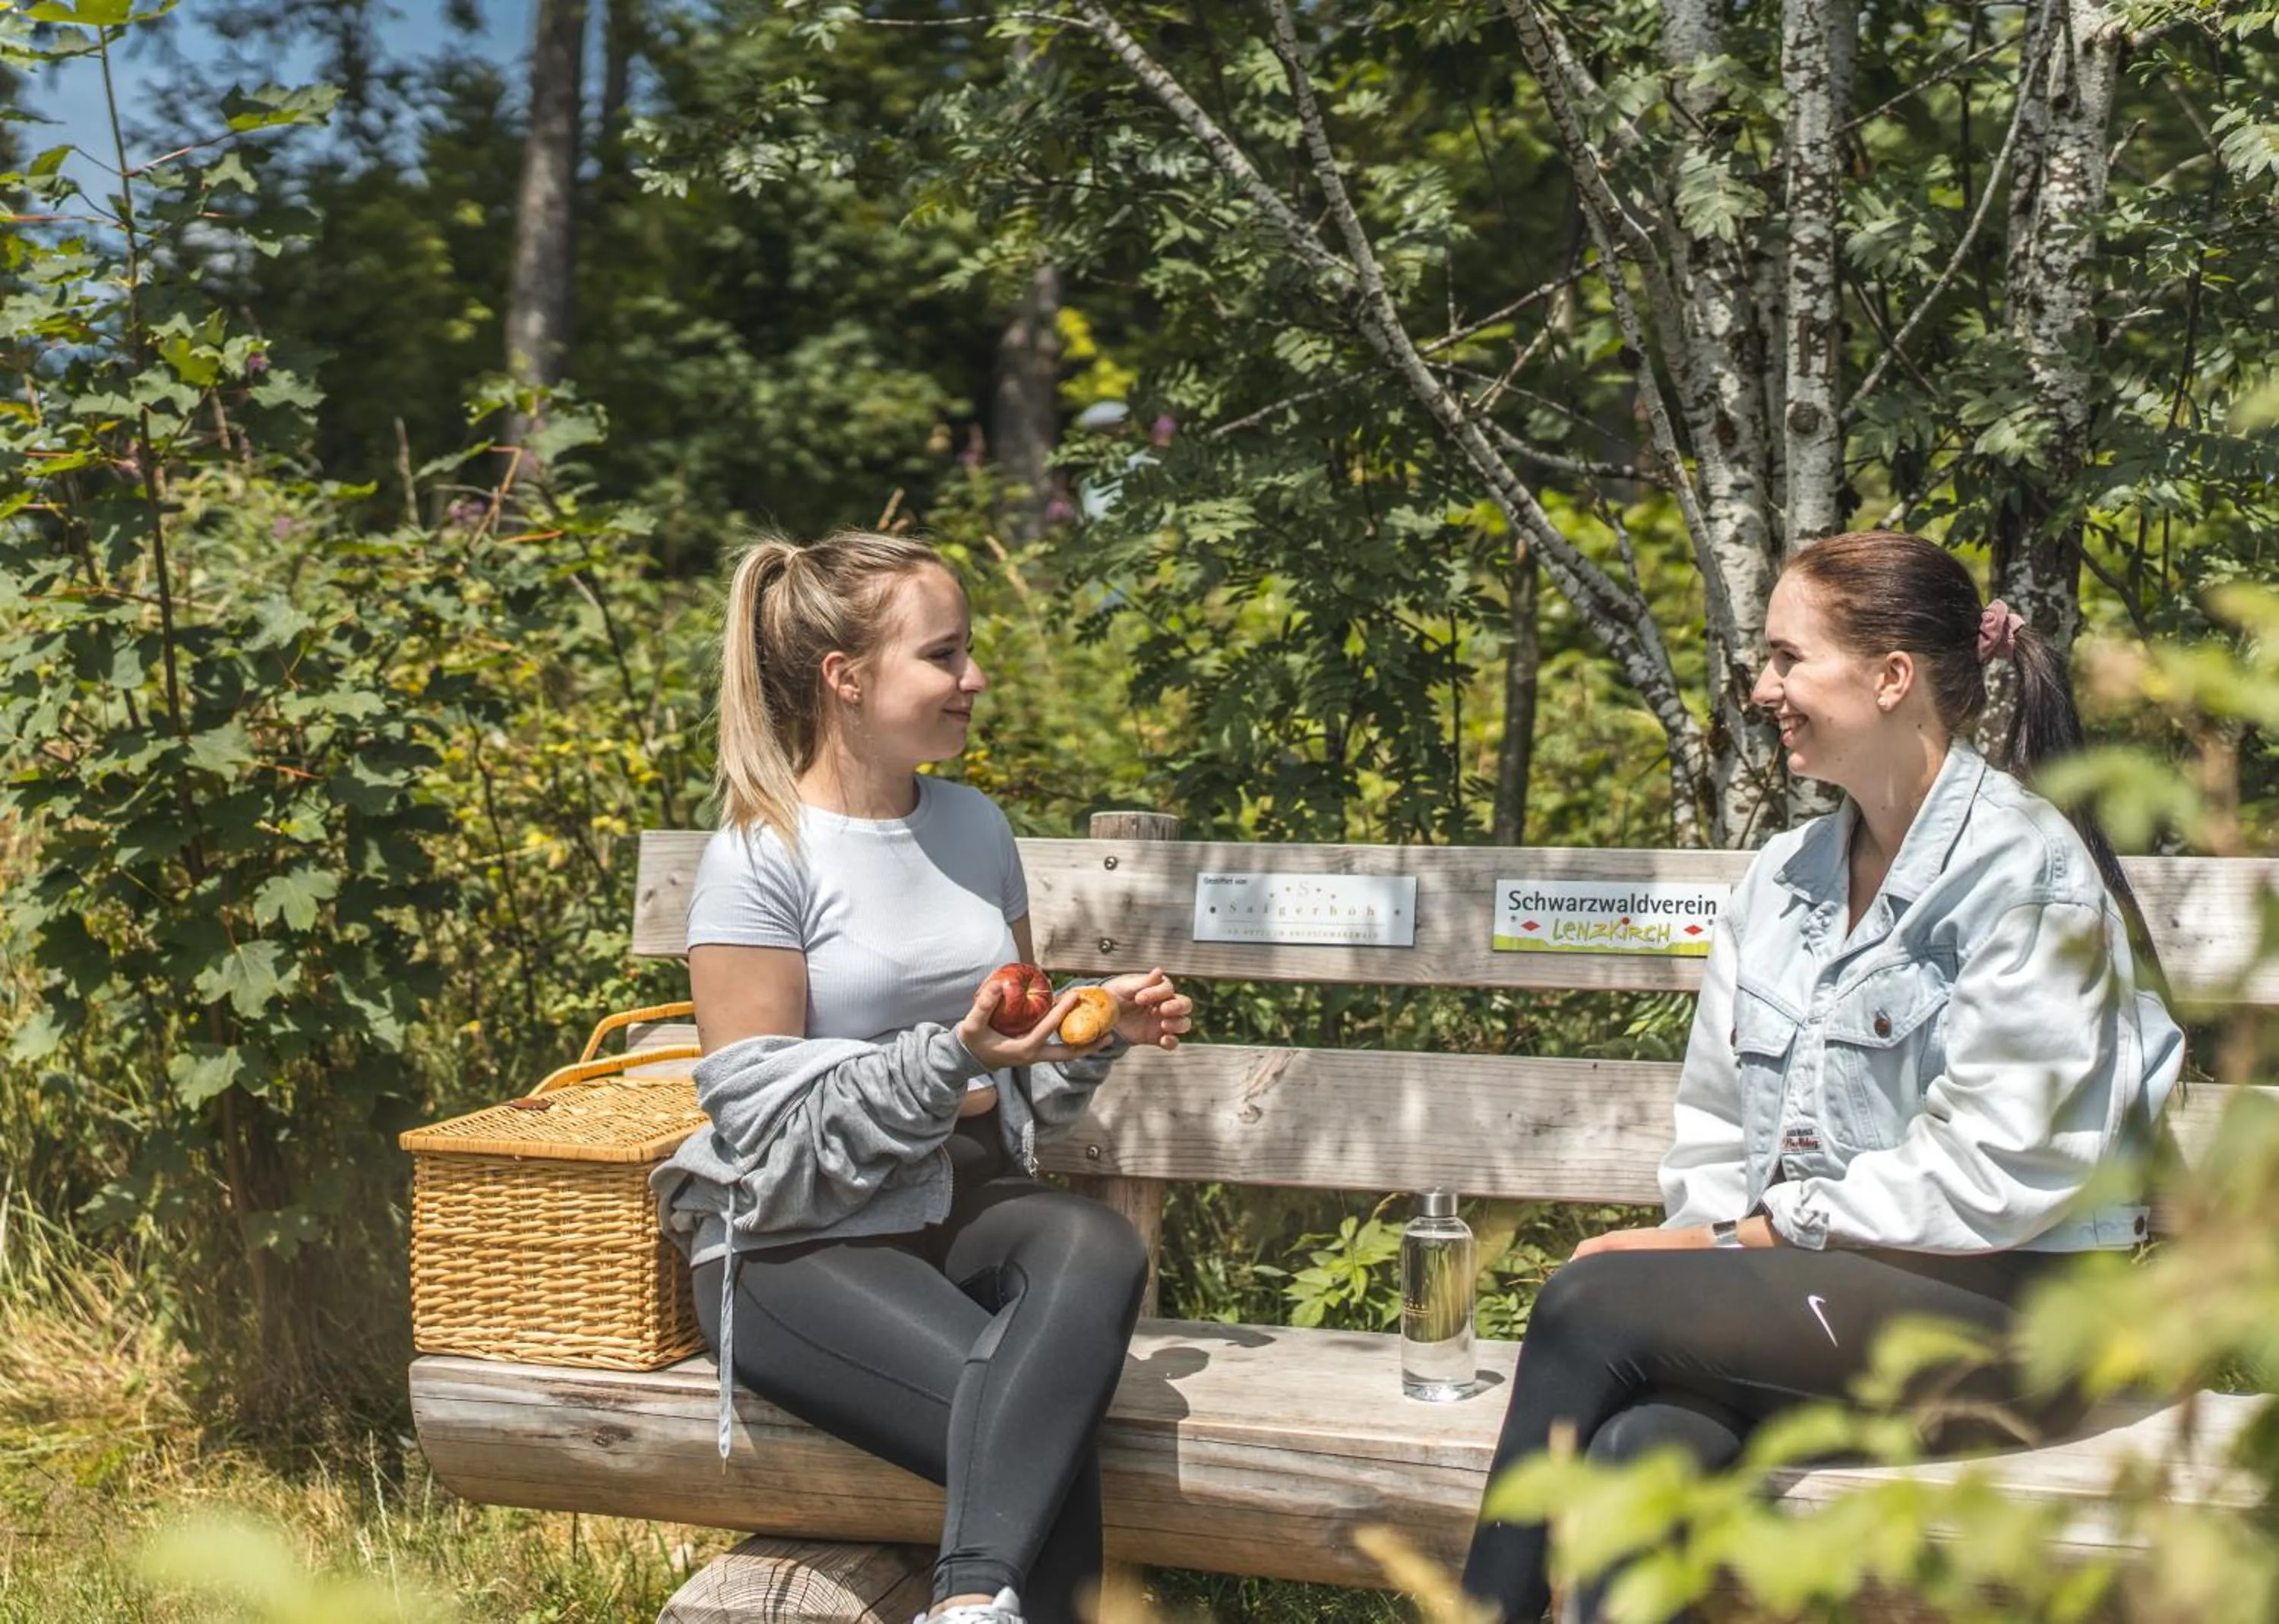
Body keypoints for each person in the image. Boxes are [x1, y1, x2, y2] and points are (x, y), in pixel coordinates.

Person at [1460, 530, 2184, 1624]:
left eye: (1789, 658)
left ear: (1891, 677)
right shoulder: (1781, 880)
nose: (1763, 689)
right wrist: (1708, 1248)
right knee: (1643, 1444)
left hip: (2020, 1310)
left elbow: (2000, 1162)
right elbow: (1718, 1126)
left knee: (1589, 1302)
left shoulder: (2024, 869)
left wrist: (1731, 1245)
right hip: (1836, 1298)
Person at [651, 531, 1194, 1624]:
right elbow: (767, 1135)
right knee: (1035, 1433)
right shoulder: (761, 855)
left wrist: (1088, 1035)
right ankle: (978, 1596)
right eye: (943, 655)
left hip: (963, 1199)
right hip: (800, 1240)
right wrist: (955, 1056)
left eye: (969, 650)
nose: (974, 677)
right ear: (846, 678)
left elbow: (1013, 1077)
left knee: (1096, 1243)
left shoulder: (975, 826)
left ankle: (967, 1604)